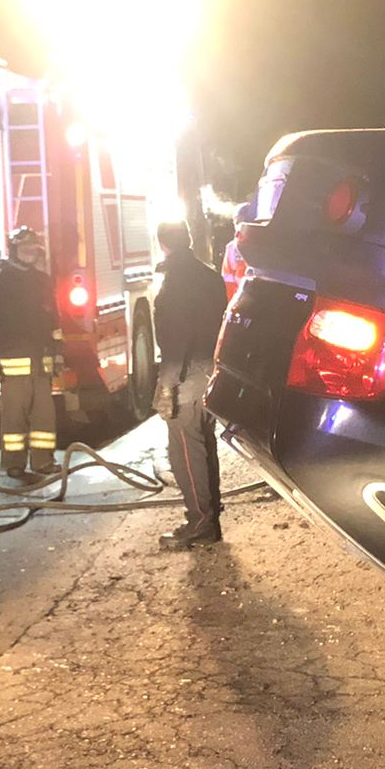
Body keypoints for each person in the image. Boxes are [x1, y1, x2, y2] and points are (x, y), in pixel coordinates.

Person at [152, 220, 229, 549]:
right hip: (211, 369)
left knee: (185, 451)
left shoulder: (176, 281)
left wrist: (167, 384)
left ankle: (199, 522)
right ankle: (209, 519)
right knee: (204, 447)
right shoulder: (208, 274)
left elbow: (177, 337)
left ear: (162, 244)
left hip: (188, 374)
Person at [0, 226, 61, 482]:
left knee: (44, 417)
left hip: (41, 362)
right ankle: (13, 464)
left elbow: (54, 321)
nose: (30, 253)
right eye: (25, 248)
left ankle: (43, 461)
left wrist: (58, 355)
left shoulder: (42, 281)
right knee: (14, 419)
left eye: (34, 249)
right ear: (14, 250)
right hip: (12, 362)